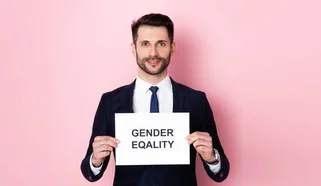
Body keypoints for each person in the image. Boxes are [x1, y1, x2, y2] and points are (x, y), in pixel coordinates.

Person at [79, 13, 230, 186]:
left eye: (161, 44)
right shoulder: (110, 102)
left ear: (172, 47)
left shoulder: (196, 101)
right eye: (145, 44)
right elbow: (89, 172)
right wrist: (96, 160)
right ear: (134, 48)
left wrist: (212, 158)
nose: (153, 53)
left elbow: (221, 172)